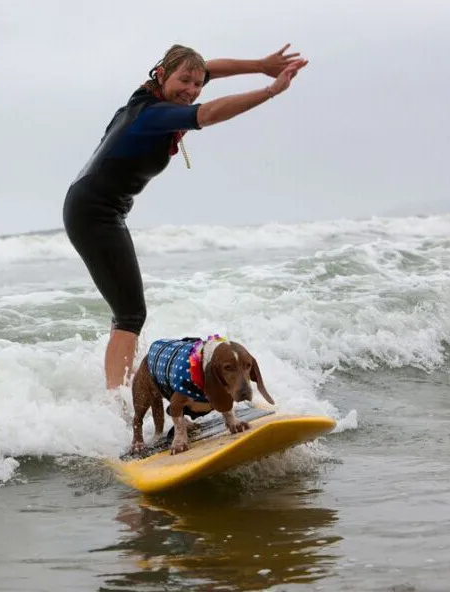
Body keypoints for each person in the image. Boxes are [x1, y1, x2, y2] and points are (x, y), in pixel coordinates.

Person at [63, 43, 308, 390]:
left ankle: (121, 390)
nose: (192, 90)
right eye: (184, 81)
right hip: (93, 212)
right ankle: (117, 406)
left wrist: (260, 64)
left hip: (95, 206)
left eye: (197, 84)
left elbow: (211, 69)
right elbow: (205, 115)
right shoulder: (151, 114)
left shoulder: (150, 93)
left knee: (127, 312)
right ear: (161, 75)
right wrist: (269, 90)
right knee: (131, 315)